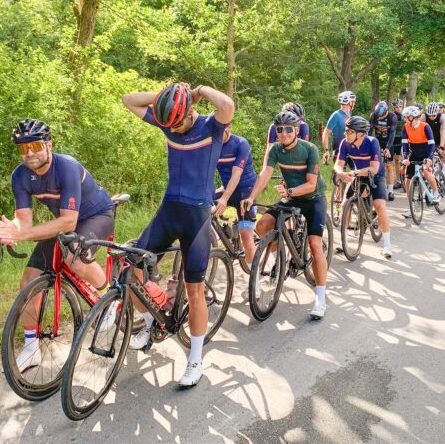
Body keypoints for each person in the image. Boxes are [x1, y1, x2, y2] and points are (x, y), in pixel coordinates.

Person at [122, 82, 234, 387]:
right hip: (169, 210)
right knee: (129, 269)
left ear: (190, 111)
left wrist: (198, 90)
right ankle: (149, 324)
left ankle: (195, 358)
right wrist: (166, 97)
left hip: (196, 217)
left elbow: (226, 105)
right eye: (168, 124)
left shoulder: (210, 128)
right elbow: (128, 99)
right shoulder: (169, 119)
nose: (174, 129)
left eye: (179, 122)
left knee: (194, 290)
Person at [0, 119, 115, 372]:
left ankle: (109, 298)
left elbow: (69, 222)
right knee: (29, 280)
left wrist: (25, 234)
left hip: (96, 216)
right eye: (23, 148)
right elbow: (24, 220)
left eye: (34, 145)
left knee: (74, 258)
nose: (29, 153)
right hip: (66, 222)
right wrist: (12, 230)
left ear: (48, 145)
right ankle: (31, 347)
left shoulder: (66, 167)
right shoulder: (20, 176)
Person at [242, 111, 329, 319]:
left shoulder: (309, 149)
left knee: (315, 245)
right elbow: (265, 174)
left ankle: (321, 298)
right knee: (263, 226)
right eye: (279, 130)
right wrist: (252, 197)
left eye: (288, 129)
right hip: (291, 196)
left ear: (297, 131)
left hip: (313, 198)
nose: (284, 133)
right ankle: (277, 262)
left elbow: (310, 184)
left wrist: (289, 192)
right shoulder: (276, 150)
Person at [335, 116, 393, 258]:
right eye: (345, 131)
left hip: (376, 175)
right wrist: (341, 173)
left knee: (379, 206)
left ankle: (387, 245)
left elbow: (373, 168)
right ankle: (345, 241)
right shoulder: (345, 143)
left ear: (360, 133)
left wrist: (354, 172)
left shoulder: (372, 142)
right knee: (344, 205)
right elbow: (338, 164)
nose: (345, 134)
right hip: (358, 174)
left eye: (349, 132)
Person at [215, 123, 258, 269]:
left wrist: (224, 199)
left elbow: (237, 173)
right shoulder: (211, 145)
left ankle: (255, 277)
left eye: (221, 129)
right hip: (227, 188)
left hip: (246, 191)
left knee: (246, 235)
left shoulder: (241, 143)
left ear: (229, 128)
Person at [401, 106, 440, 219]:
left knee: (426, 174)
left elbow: (432, 144)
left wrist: (429, 158)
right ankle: (411, 206)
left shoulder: (425, 126)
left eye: (406, 117)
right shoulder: (406, 127)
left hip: (426, 152)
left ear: (412, 117)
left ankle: (436, 193)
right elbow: (404, 144)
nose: (405, 119)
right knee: (407, 181)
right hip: (414, 152)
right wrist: (405, 158)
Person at [369, 101, 398, 201]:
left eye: (381, 116)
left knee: (389, 166)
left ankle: (390, 190)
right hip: (377, 141)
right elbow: (370, 131)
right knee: (373, 164)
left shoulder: (392, 117)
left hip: (388, 142)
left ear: (386, 112)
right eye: (378, 116)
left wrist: (387, 148)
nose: (380, 118)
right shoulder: (373, 115)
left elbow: (392, 133)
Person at [323, 91, 356, 165]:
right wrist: (326, 150)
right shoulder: (336, 115)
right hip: (339, 150)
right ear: (349, 102)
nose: (354, 104)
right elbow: (326, 133)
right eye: (353, 102)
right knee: (339, 174)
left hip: (350, 149)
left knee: (357, 172)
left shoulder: (349, 115)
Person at [391, 99, 405, 192]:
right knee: (396, 160)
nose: (398, 108)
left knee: (405, 159)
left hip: (404, 139)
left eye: (400, 106)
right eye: (396, 107)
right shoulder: (392, 116)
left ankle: (406, 176)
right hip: (395, 139)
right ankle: (398, 180)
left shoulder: (405, 116)